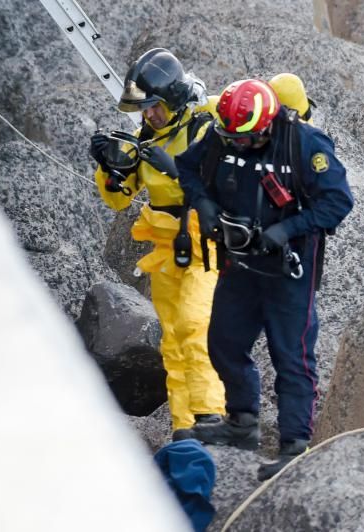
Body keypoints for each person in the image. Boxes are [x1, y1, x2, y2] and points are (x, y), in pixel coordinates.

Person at [176, 78, 354, 481]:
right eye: (231, 138)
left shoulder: (304, 145)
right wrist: (202, 203)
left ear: (268, 124)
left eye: (246, 139)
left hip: (288, 270)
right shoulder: (224, 137)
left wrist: (288, 229)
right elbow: (187, 167)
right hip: (239, 263)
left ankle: (295, 445)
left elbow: (338, 201)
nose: (236, 144)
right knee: (223, 341)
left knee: (291, 355)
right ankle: (242, 422)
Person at [89, 48, 225, 440]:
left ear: (174, 97)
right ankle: (185, 427)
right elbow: (117, 198)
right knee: (174, 342)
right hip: (168, 252)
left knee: (196, 328)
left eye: (154, 107)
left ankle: (210, 416)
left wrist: (175, 168)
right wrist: (109, 167)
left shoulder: (204, 125)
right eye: (145, 109)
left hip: (209, 245)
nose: (148, 115)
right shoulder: (143, 140)